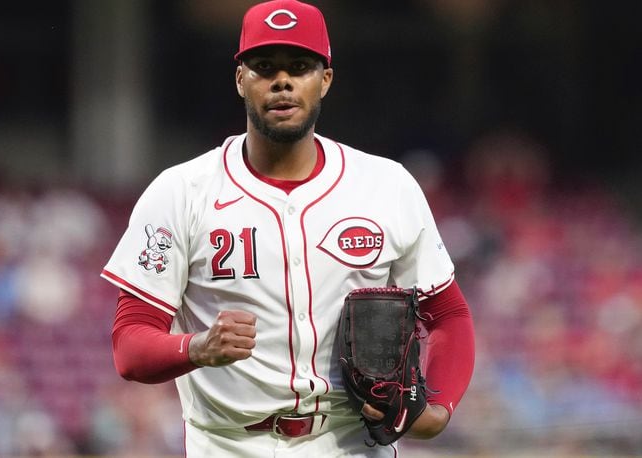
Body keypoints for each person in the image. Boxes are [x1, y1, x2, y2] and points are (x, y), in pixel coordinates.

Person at [101, 1, 475, 456]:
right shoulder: (181, 192)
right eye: (264, 67)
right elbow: (130, 344)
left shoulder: (387, 185)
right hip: (230, 444)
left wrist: (438, 409)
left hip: (351, 443)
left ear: (325, 80)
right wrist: (196, 346)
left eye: (299, 66)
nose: (282, 80)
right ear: (240, 79)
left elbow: (447, 314)